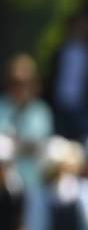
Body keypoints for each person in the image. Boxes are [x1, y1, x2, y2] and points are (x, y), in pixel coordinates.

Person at [0, 54, 53, 189]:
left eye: (26, 82)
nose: (20, 87)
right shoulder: (2, 106)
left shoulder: (41, 112)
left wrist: (11, 146)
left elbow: (38, 147)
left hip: (32, 184)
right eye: (15, 82)